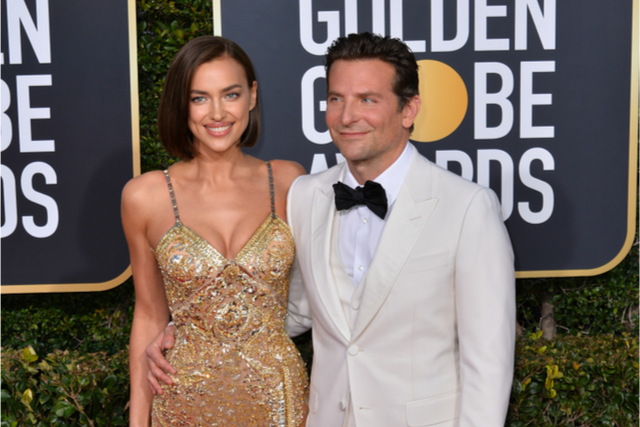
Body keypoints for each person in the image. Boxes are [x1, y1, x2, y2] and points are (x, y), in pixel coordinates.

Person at [147, 32, 515, 427]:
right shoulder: (307, 195)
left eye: (367, 100)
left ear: (409, 109)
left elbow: (488, 361)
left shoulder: (467, 207)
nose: (347, 116)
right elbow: (290, 308)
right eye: (336, 99)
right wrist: (187, 330)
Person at [121, 35, 308, 426]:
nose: (218, 113)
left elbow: (322, 294)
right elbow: (149, 314)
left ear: (252, 96)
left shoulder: (289, 181)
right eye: (199, 98)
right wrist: (138, 421)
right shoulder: (146, 196)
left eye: (231, 94)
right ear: (182, 104)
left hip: (280, 402)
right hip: (183, 403)